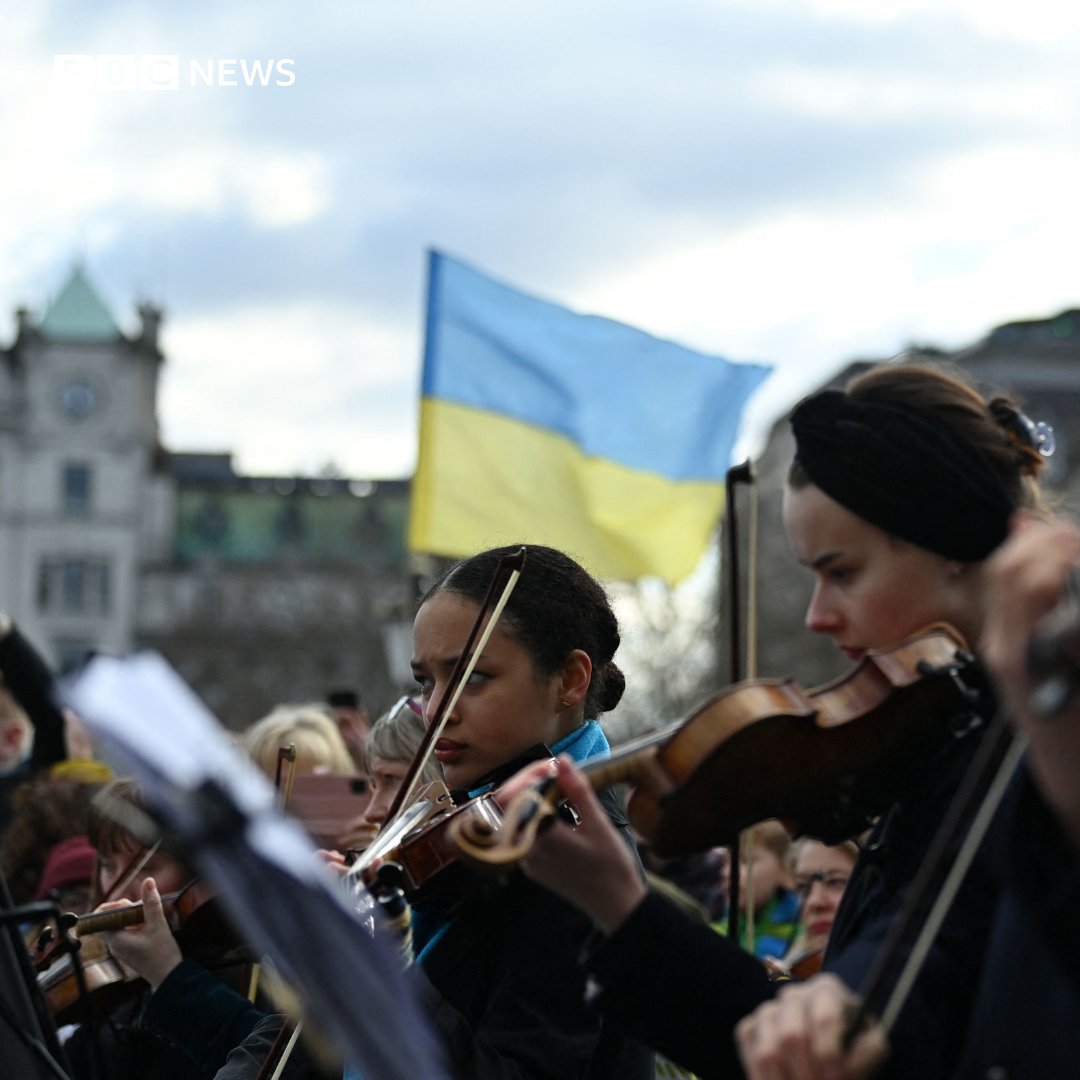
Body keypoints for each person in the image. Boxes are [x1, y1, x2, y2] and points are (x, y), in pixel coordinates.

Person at [498, 362, 1051, 1079]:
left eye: (842, 571)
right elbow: (825, 1039)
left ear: (952, 544)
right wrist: (620, 903)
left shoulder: (1034, 762)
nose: (819, 615)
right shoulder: (945, 750)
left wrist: (628, 909)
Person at [406, 543, 653, 1079]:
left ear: (569, 681)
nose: (434, 711)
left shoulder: (571, 859)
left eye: (470, 677)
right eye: (426, 681)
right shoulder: (482, 825)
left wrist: (371, 986)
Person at [718, 821, 800, 961]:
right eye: (726, 861)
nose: (727, 872)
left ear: (787, 870)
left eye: (745, 860)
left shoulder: (801, 936)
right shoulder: (718, 933)